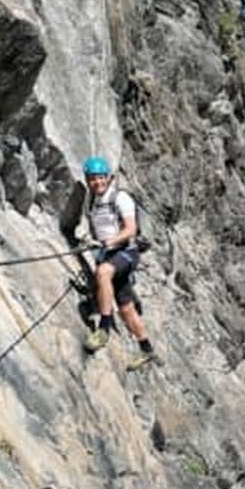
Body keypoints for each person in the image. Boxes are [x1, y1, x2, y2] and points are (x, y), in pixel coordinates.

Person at [81, 156, 156, 370]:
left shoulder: (120, 198)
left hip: (126, 252)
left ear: (108, 178)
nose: (97, 183)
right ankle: (147, 349)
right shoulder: (92, 201)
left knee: (103, 273)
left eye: (100, 178)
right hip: (109, 253)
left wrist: (109, 242)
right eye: (93, 179)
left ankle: (103, 329)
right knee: (126, 310)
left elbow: (131, 229)